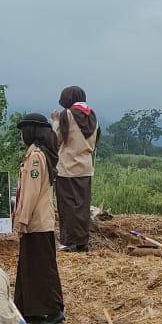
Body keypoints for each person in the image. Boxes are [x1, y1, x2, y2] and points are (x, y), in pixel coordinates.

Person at [13, 114, 65, 324]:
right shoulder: (38, 154)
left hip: (37, 221)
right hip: (37, 220)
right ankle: (30, 309)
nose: (22, 136)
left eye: (24, 130)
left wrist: (21, 220)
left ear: (32, 131)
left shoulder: (35, 156)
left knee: (42, 267)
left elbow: (31, 193)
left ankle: (53, 311)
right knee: (30, 265)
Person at [52, 86, 100, 252]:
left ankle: (70, 242)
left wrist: (55, 121)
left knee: (67, 206)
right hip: (86, 167)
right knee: (82, 206)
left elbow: (56, 139)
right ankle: (82, 241)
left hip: (67, 166)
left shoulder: (67, 114)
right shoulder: (93, 116)